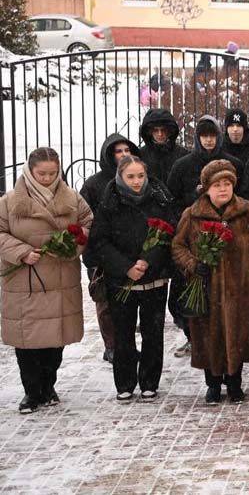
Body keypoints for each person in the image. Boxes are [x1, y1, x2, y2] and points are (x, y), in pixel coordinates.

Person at [0, 148, 93, 413]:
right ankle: (32, 391)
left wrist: (71, 245)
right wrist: (21, 252)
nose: (47, 178)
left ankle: (48, 384)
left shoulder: (72, 198)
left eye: (53, 173)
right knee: (27, 339)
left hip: (60, 277)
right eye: (42, 174)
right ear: (30, 171)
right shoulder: (9, 202)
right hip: (24, 279)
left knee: (55, 337)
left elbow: (87, 222)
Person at [171, 160, 249, 404]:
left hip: (241, 288)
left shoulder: (247, 212)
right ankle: (213, 383)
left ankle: (235, 382)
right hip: (207, 288)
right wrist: (194, 264)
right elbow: (177, 246)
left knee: (238, 334)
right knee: (209, 336)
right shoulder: (192, 214)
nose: (223, 189)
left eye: (227, 184)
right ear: (206, 188)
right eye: (217, 185)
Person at [87, 155, 177, 401]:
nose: (136, 182)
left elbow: (169, 233)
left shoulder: (159, 198)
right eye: (130, 177)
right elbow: (100, 242)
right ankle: (124, 383)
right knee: (123, 334)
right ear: (120, 177)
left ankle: (149, 381)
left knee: (153, 332)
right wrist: (125, 267)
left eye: (140, 176)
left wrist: (148, 260)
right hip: (121, 281)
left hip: (153, 278)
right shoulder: (109, 202)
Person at [80, 133, 140, 363]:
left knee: (127, 304)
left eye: (127, 150)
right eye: (118, 151)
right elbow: (86, 219)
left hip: (127, 255)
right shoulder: (94, 184)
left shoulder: (136, 178)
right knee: (105, 303)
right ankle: (111, 345)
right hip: (100, 252)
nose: (124, 154)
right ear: (109, 154)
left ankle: (127, 346)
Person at [166, 115, 245, 208]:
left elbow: (241, 197)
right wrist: (195, 194)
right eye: (204, 135)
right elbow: (172, 199)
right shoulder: (182, 165)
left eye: (212, 135)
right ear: (197, 137)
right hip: (193, 218)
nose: (209, 140)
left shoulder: (234, 164)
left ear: (218, 137)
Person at [137, 108, 188, 182]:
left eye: (163, 130)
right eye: (155, 130)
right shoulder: (140, 155)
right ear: (150, 132)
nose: (160, 134)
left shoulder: (182, 154)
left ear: (170, 131)